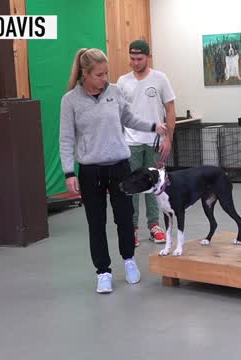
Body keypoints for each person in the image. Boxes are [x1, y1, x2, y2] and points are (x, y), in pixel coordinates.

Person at [59, 48, 167, 294]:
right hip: (90, 171)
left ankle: (129, 261)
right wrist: (69, 172)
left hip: (120, 167)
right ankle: (103, 272)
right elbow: (66, 139)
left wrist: (153, 126)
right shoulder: (70, 101)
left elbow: (129, 118)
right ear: (85, 74)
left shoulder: (115, 92)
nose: (104, 79)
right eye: (99, 74)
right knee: (96, 222)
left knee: (125, 218)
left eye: (106, 73)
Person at [116, 39, 176, 246]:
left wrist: (168, 138)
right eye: (132, 59)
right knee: (131, 187)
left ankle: (154, 226)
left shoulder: (160, 79)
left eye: (139, 59)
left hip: (155, 142)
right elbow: (119, 113)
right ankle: (132, 228)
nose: (135, 62)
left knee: (155, 186)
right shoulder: (122, 82)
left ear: (148, 57)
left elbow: (170, 109)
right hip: (130, 142)